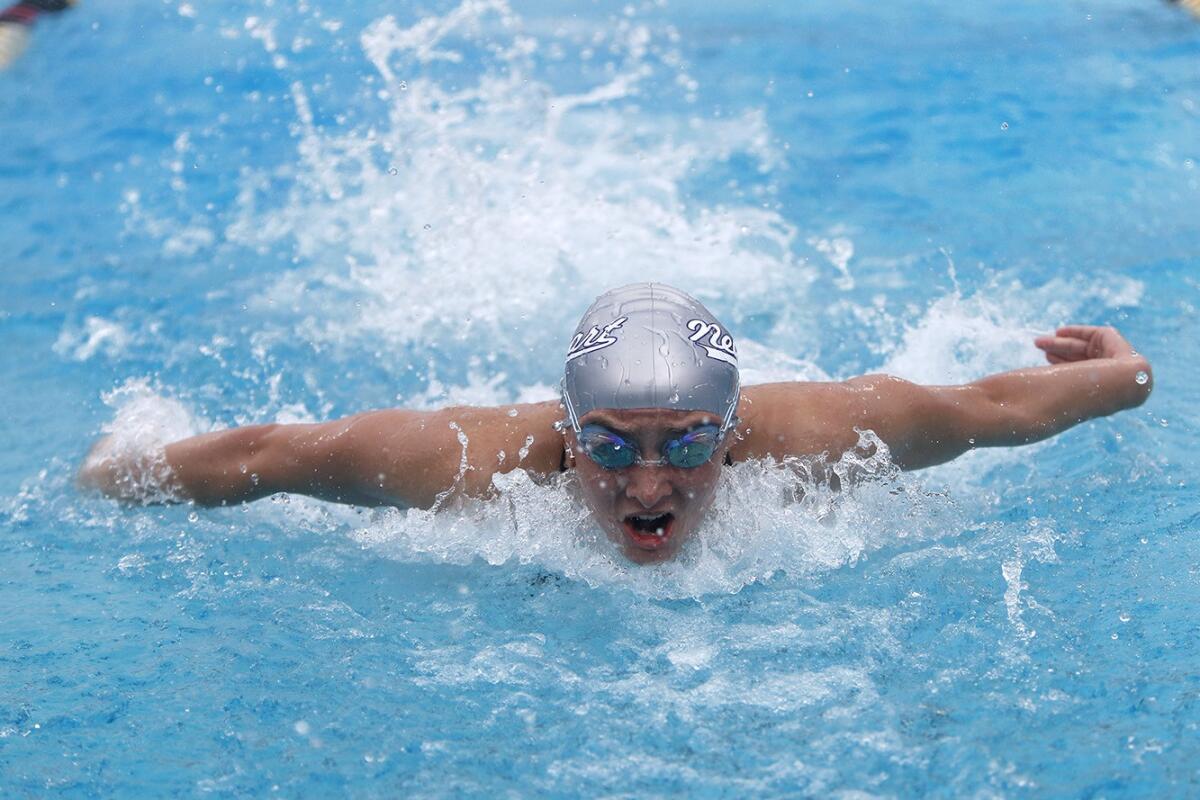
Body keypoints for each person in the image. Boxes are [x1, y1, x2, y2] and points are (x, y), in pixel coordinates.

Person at [79, 283, 1154, 563]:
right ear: (564, 427)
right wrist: (112, 473)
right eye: (610, 445)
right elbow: (267, 455)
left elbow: (994, 407)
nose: (648, 485)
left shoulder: (825, 433)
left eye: (686, 442)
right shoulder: (464, 462)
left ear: (734, 434)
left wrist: (1129, 371)